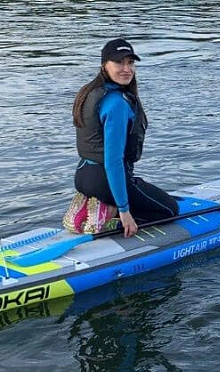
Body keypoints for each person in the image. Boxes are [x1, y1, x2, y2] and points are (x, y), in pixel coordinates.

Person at [71, 38, 179, 237]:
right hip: (106, 180)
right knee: (170, 210)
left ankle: (95, 203)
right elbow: (113, 162)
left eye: (130, 63)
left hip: (83, 176)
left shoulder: (90, 92)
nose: (126, 69)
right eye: (119, 63)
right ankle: (109, 213)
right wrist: (123, 209)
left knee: (151, 195)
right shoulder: (117, 104)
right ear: (105, 65)